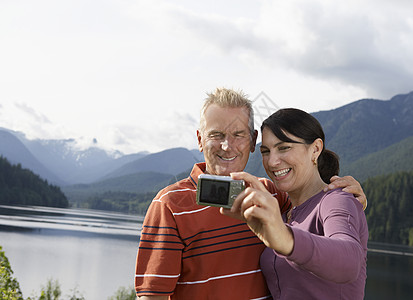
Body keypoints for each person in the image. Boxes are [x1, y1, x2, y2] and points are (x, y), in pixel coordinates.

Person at [134, 88, 367, 299]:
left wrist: (346, 198)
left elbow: (326, 221)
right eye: (216, 135)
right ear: (200, 140)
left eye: (238, 134)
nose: (227, 146)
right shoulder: (170, 205)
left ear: (253, 140)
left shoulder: (273, 195)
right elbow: (152, 296)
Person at [227, 108, 368, 299]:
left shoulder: (336, 199)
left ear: (315, 149)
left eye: (284, 147)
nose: (272, 161)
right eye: (266, 151)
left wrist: (286, 239)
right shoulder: (285, 211)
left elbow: (349, 262)